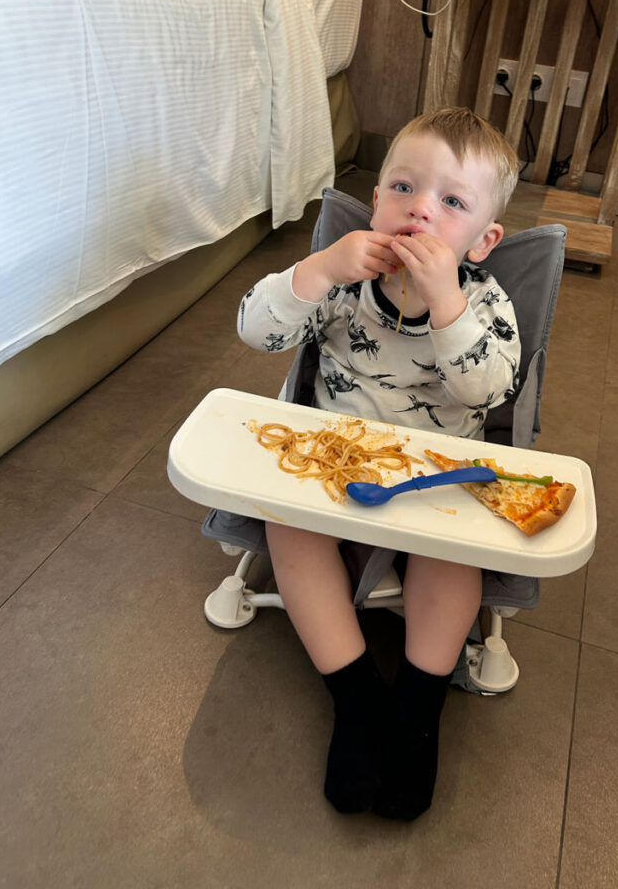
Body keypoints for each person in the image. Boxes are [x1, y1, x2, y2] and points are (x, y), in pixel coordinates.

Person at [237, 106, 521, 820]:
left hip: (438, 477)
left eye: (451, 202)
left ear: (483, 241)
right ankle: (358, 696)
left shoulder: (485, 301)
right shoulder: (341, 283)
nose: (420, 209)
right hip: (336, 464)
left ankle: (418, 708)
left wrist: (448, 304)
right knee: (288, 527)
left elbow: (490, 388)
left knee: (455, 556)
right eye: (403, 187)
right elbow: (256, 331)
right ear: (376, 200)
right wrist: (316, 268)